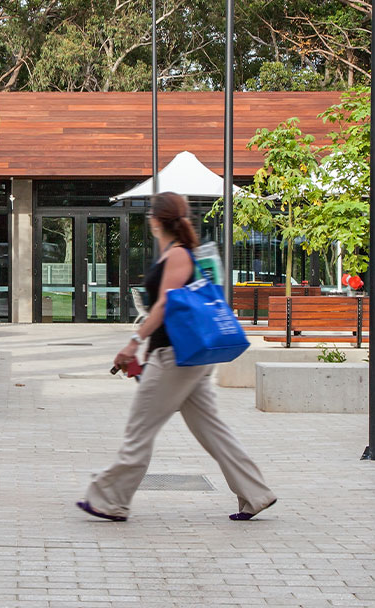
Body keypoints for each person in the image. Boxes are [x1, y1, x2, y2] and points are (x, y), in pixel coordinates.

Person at [77, 191, 277, 523]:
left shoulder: (178, 255)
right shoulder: (180, 253)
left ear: (155, 220)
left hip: (174, 357)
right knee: (212, 430)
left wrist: (133, 342)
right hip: (187, 359)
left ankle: (110, 499)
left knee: (139, 429)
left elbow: (165, 305)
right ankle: (256, 494)